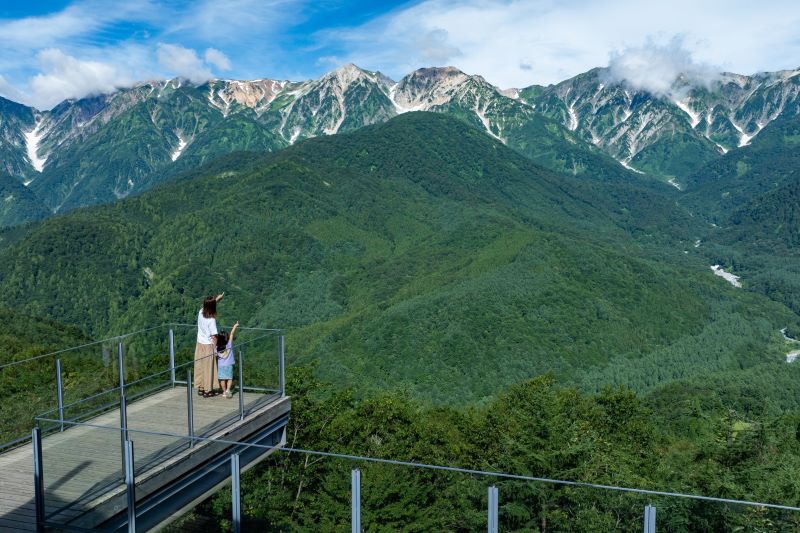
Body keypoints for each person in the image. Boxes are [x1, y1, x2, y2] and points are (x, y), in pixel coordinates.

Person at [195, 293, 224, 397]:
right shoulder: (211, 320)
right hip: (208, 346)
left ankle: (201, 388)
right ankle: (208, 391)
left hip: (199, 344)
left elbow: (208, 305)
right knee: (208, 368)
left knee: (200, 366)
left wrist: (217, 299)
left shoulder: (200, 312)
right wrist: (215, 349)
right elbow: (214, 337)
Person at [216, 321, 239, 398]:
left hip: (221, 366)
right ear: (227, 338)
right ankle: (228, 390)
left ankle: (224, 391)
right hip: (229, 365)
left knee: (222, 379)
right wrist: (235, 326)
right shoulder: (229, 344)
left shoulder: (216, 347)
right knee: (229, 378)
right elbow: (232, 334)